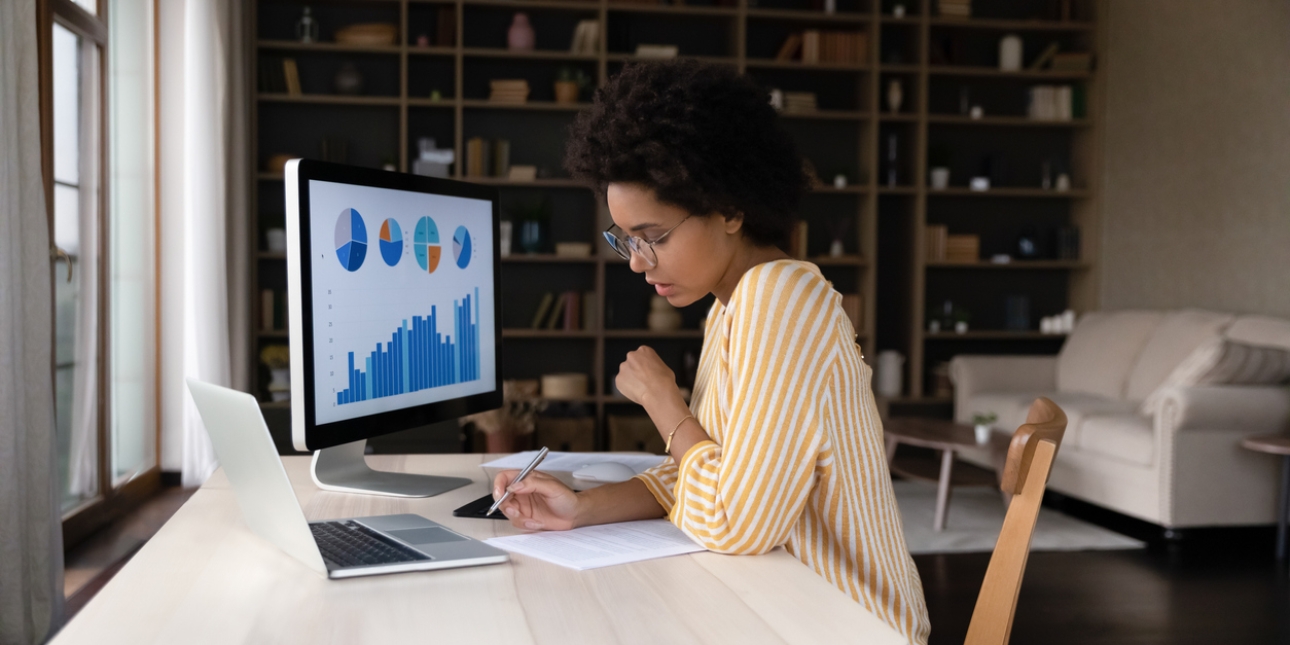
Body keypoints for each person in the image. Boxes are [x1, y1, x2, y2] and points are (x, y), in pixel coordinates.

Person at [491, 59, 930, 644]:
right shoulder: (732, 306)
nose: (638, 263)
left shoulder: (780, 300)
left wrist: (664, 403)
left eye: (655, 237)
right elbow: (708, 479)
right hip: (782, 605)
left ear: (729, 207)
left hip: (850, 624)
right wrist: (581, 508)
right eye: (625, 239)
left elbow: (734, 521)